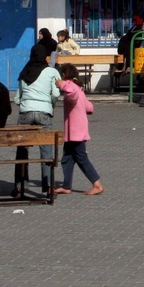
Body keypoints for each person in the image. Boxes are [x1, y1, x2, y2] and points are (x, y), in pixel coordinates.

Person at [13, 45, 61, 198]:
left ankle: (20, 186)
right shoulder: (52, 72)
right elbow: (56, 93)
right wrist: (50, 106)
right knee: (46, 151)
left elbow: (17, 99)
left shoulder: (25, 71)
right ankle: (47, 187)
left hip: (25, 113)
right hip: (44, 113)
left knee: (22, 151)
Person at [52, 63, 103, 196]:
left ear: (64, 75)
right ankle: (67, 186)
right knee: (67, 158)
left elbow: (71, 92)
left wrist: (61, 84)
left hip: (76, 132)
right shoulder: (80, 89)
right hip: (74, 132)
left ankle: (97, 184)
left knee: (81, 158)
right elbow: (89, 107)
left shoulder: (72, 88)